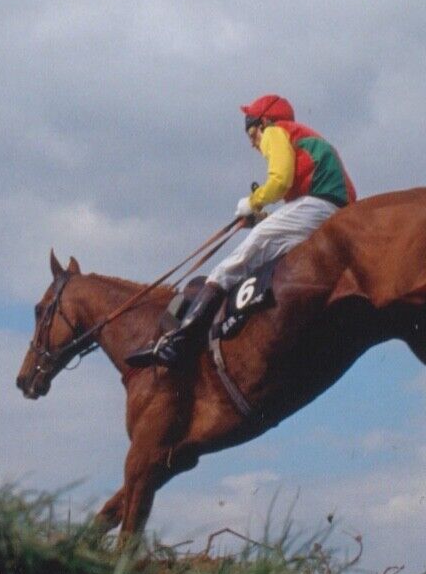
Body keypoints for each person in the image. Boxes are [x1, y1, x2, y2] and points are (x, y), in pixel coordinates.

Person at [127, 94, 356, 369]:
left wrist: (253, 201)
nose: (252, 142)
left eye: (251, 132)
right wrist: (261, 218)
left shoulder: (275, 131)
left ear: (263, 122)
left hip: (318, 205)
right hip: (329, 210)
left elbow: (280, 179)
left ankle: (179, 339)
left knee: (231, 266)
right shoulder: (303, 138)